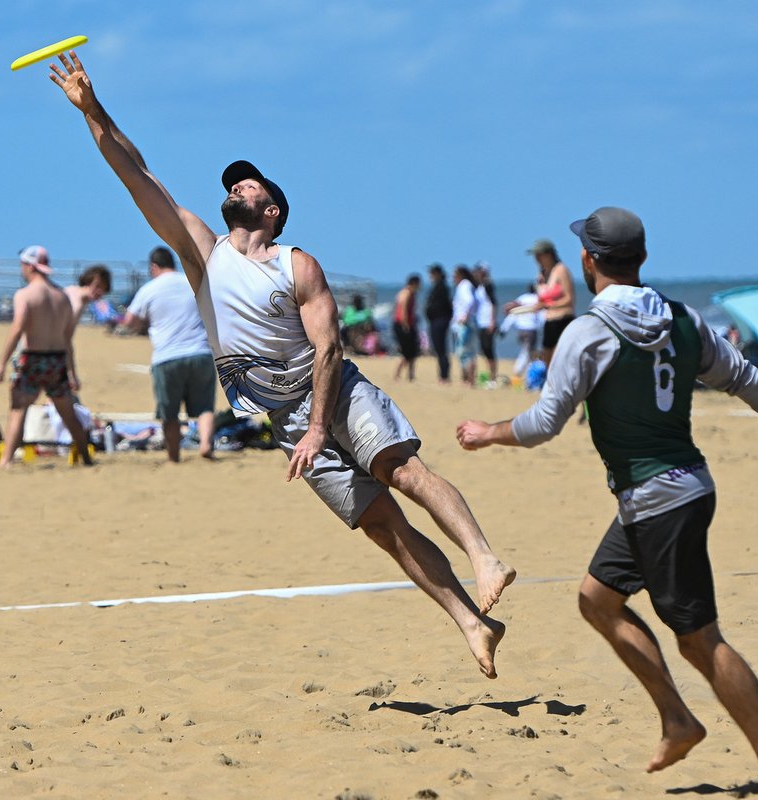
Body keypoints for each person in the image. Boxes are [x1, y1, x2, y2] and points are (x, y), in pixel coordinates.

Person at [50, 51, 513, 678]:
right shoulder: (203, 255)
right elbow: (138, 174)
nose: (236, 186)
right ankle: (470, 620)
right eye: (234, 183)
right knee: (381, 526)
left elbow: (329, 349)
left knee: (400, 470)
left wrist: (321, 426)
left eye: (250, 183)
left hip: (334, 394)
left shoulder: (295, 263)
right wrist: (92, 110)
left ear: (271, 210)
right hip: (283, 418)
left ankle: (484, 556)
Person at [456, 207, 758, 794]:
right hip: (677, 493)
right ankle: (677, 718)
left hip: (659, 501)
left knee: (701, 639)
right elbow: (748, 378)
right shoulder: (684, 320)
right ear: (642, 258)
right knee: (597, 599)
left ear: (588, 261)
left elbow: (547, 421)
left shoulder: (588, 332)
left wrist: (487, 432)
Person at [0, 245, 93, 468]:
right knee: (67, 413)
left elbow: (18, 328)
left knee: (18, 409)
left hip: (32, 358)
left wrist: (1, 363)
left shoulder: (25, 295)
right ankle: (85, 458)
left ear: (30, 266)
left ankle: (6, 461)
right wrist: (71, 372)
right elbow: (67, 340)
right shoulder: (62, 297)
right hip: (56, 359)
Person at [122, 246, 216, 461]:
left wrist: (143, 326)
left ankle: (174, 456)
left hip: (167, 356)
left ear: (154, 267)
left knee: (169, 413)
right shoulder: (191, 281)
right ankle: (205, 445)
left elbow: (129, 321)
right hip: (200, 351)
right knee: (204, 407)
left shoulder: (150, 289)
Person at [529, 238, 576, 363]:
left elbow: (569, 299)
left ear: (549, 254)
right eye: (535, 255)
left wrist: (548, 305)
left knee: (559, 358)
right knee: (547, 358)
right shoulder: (542, 275)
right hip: (549, 321)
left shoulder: (561, 270)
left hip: (563, 319)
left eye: (539, 255)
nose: (537, 258)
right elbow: (541, 299)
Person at [498, 285, 543, 382]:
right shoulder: (537, 299)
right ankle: (519, 371)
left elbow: (513, 314)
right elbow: (541, 315)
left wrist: (503, 329)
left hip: (521, 330)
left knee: (527, 351)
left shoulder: (521, 299)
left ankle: (527, 374)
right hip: (531, 330)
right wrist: (543, 327)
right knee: (528, 352)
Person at [450, 265, 479, 387]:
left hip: (464, 324)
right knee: (467, 352)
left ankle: (469, 380)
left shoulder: (464, 285)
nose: (452, 278)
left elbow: (470, 301)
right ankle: (467, 379)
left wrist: (465, 316)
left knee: (464, 352)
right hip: (467, 323)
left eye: (454, 276)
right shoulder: (468, 285)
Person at [425, 263, 452, 384]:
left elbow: (444, 306)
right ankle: (443, 375)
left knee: (441, 349)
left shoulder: (442, 287)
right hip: (436, 321)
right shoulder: (437, 287)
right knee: (438, 349)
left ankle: (444, 375)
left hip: (440, 321)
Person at [65, 263, 113, 329]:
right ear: (87, 281)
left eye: (103, 289)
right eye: (97, 286)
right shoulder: (72, 297)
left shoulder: (82, 301)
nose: (100, 291)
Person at [393, 274, 421, 382]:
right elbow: (403, 310)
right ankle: (398, 374)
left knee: (411, 352)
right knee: (407, 352)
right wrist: (406, 325)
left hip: (403, 324)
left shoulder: (407, 293)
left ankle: (410, 375)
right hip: (403, 325)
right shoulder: (407, 293)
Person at [473, 262, 498, 385]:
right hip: (480, 322)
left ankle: (493, 377)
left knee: (489, 350)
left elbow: (493, 303)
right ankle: (489, 375)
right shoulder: (479, 286)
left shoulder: (488, 285)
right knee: (483, 349)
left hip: (487, 322)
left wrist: (492, 321)